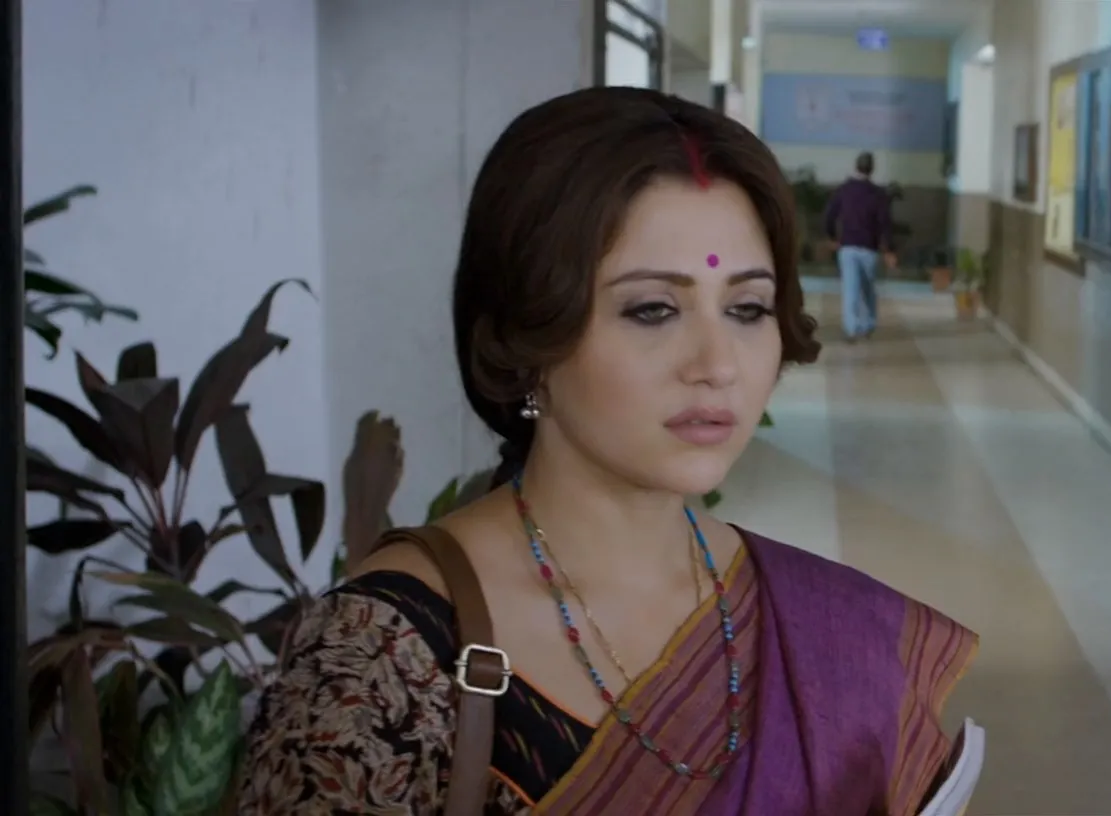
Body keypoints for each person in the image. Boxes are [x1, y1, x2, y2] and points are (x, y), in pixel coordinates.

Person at [236, 88, 979, 814]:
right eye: (652, 309)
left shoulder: (821, 630)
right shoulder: (383, 655)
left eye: (747, 308)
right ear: (526, 339)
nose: (718, 364)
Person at [820, 151, 896, 341]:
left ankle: (851, 328)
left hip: (847, 247)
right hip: (869, 248)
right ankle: (868, 323)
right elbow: (885, 223)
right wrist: (889, 249)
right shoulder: (878, 194)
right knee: (868, 288)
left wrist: (831, 236)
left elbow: (829, 215)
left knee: (850, 288)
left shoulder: (844, 190)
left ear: (856, 166)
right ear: (872, 169)